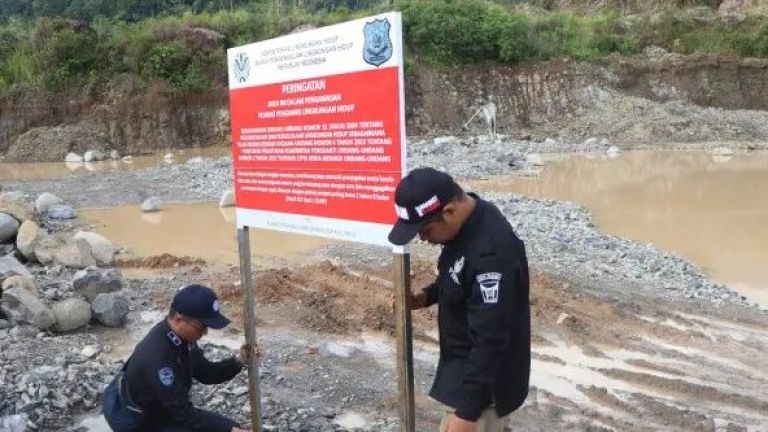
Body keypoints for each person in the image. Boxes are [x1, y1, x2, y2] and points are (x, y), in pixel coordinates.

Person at [388, 168, 530, 432]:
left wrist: (467, 412)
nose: (422, 238)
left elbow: (491, 341)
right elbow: (457, 276)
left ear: (449, 211)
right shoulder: (469, 221)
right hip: (465, 371)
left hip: (484, 390)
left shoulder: (491, 256)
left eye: (425, 229)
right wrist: (425, 296)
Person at [102, 284, 259, 432]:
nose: (205, 333)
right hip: (137, 420)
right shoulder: (159, 358)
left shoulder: (182, 338)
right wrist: (228, 428)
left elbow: (206, 373)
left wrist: (240, 360)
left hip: (160, 405)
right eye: (201, 327)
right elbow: (183, 414)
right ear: (178, 320)